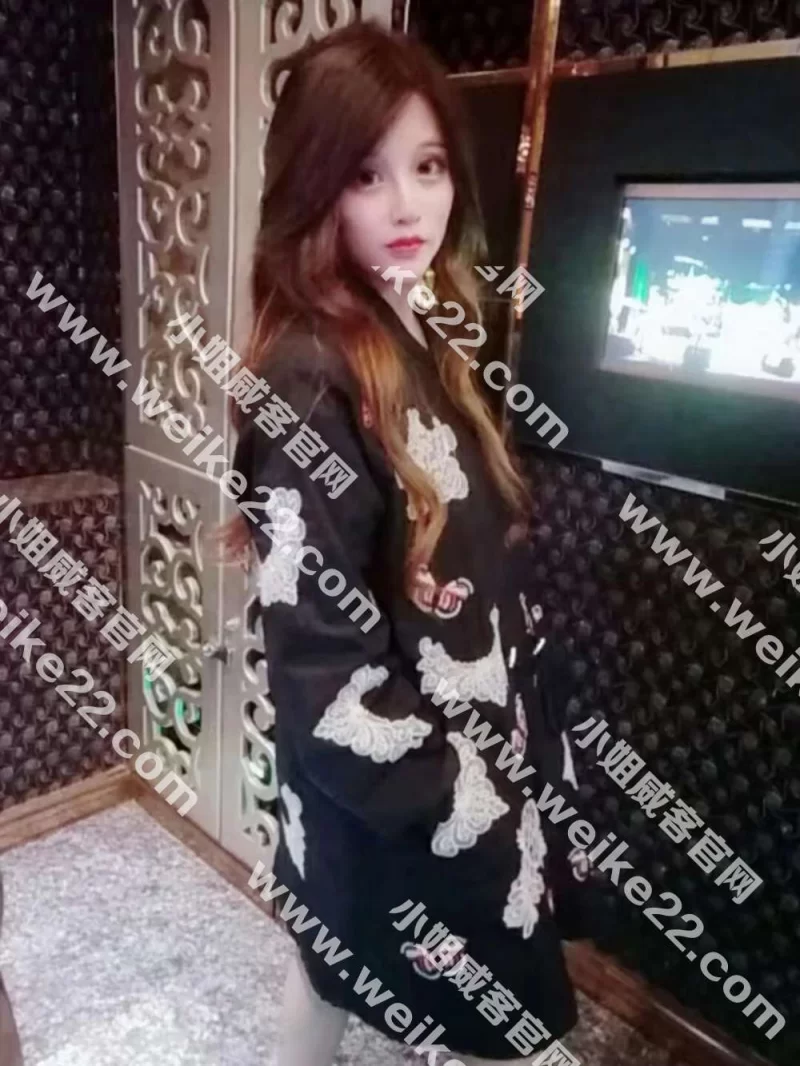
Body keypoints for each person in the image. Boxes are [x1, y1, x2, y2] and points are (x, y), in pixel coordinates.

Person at [223, 21, 599, 1066]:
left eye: (427, 166)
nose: (407, 206)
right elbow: (323, 667)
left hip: (451, 761)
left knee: (327, 963)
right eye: (366, 174)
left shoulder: (414, 328)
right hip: (407, 786)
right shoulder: (312, 375)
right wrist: (464, 804)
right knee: (479, 1007)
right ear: (315, 188)